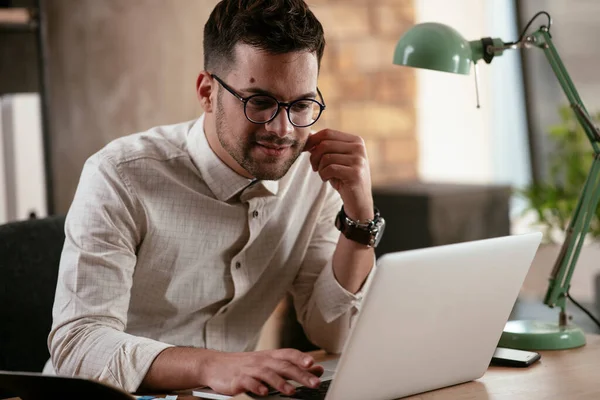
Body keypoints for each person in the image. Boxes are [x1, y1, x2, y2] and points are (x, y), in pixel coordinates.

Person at [47, 0, 385, 397]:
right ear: (208, 92)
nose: (282, 129)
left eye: (301, 104)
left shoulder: (314, 180)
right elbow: (78, 343)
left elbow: (334, 333)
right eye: (260, 102)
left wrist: (360, 219)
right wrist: (211, 363)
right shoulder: (120, 174)